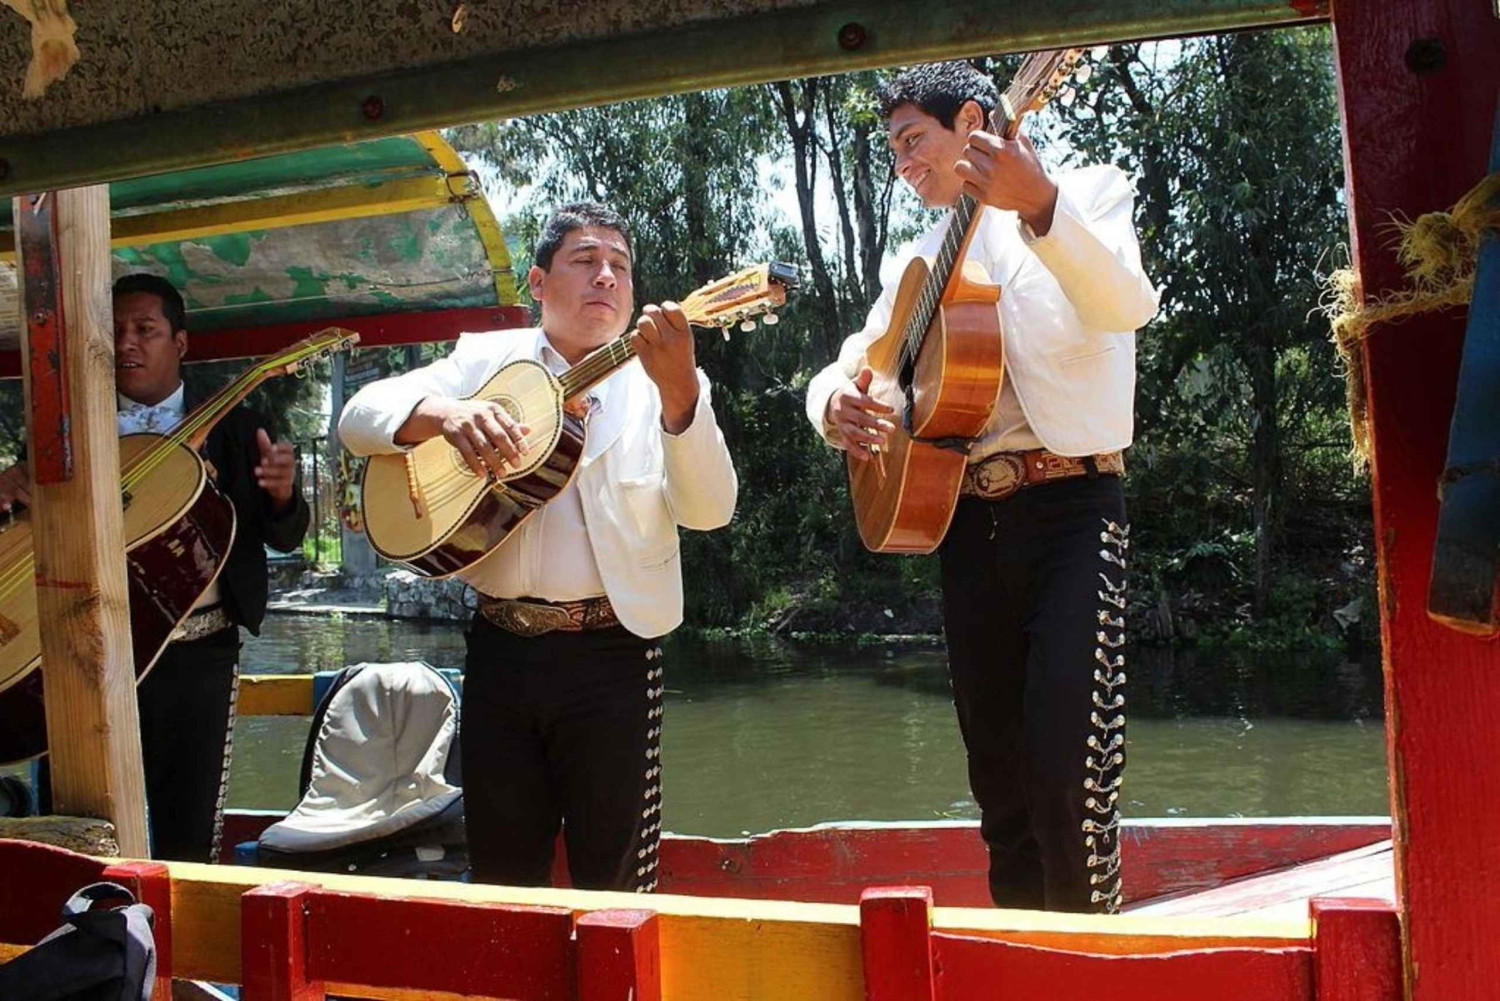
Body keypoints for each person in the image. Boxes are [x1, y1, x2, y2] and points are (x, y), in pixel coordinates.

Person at [805, 62, 1159, 913]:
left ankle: (1090, 961)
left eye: (912, 141)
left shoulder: (1088, 193)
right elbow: (850, 366)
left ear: (973, 120)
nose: (903, 165)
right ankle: (1018, 959)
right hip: (963, 526)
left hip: (1073, 511)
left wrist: (1041, 208)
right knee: (999, 787)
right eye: (893, 151)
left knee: (1071, 777)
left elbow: (1128, 305)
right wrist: (834, 406)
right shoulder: (915, 263)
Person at [338, 202, 738, 892]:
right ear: (538, 282)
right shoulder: (485, 361)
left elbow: (711, 512)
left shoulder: (667, 382)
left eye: (620, 266)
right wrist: (447, 413)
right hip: (501, 650)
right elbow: (358, 416)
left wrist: (681, 397)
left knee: (615, 880)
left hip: (615, 653)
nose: (606, 276)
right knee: (503, 874)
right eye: (585, 260)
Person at [0, 273, 310, 862]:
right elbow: (25, 526)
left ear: (180, 343)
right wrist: (12, 490)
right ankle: (91, 920)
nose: (127, 343)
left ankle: (177, 923)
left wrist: (282, 496)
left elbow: (285, 535)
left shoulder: (235, 425)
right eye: (116, 330)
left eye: (145, 329)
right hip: (87, 648)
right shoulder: (66, 429)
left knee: (188, 826)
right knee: (83, 824)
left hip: (199, 652)